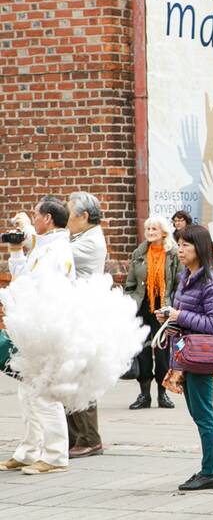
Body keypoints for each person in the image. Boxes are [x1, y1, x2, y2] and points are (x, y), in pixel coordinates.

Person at [1, 197, 77, 475]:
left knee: (45, 393)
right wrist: (16, 250)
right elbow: (22, 277)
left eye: (35, 216)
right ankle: (29, 450)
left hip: (50, 329)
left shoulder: (57, 251)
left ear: (47, 219)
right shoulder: (45, 248)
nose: (32, 220)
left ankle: (56, 455)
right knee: (27, 392)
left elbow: (34, 288)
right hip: (36, 328)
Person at [161, 224, 213, 491]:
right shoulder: (185, 277)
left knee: (203, 414)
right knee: (199, 412)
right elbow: (186, 315)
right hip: (184, 351)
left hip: (201, 355)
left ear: (199, 248)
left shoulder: (210, 281)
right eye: (178, 244)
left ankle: (210, 471)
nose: (180, 249)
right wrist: (169, 317)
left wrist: (180, 316)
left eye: (185, 245)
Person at [66, 192, 108, 458]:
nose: (65, 220)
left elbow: (54, 251)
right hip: (74, 314)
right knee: (69, 376)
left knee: (81, 377)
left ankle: (90, 439)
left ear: (83, 216)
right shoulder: (80, 236)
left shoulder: (90, 241)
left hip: (84, 316)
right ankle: (75, 437)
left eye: (68, 215)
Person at [124, 217, 182, 410]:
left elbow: (179, 283)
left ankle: (162, 394)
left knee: (163, 352)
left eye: (154, 228)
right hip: (143, 307)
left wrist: (174, 306)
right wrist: (130, 303)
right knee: (142, 352)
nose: (150, 231)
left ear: (163, 232)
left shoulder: (173, 254)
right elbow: (130, 283)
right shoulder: (139, 253)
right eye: (148, 228)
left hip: (163, 310)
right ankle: (144, 395)